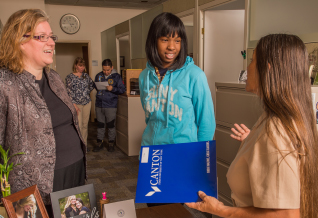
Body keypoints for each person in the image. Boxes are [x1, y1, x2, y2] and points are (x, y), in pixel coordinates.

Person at [0, 9, 86, 218]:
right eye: (42, 37)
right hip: (33, 189)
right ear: (19, 41)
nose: (51, 43)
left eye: (52, 37)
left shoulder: (55, 79)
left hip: (73, 175)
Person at [186, 34, 318, 218]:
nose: (247, 68)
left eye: (253, 61)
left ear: (268, 70)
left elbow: (287, 214)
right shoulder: (282, 118)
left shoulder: (277, 129)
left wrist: (219, 210)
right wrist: (254, 143)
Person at [138, 12, 216, 207]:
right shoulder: (144, 77)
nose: (172, 47)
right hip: (153, 156)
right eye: (165, 39)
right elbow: (150, 118)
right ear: (153, 41)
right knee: (155, 210)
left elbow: (207, 122)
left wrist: (198, 164)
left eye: (177, 40)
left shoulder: (194, 75)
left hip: (182, 157)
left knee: (179, 211)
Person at [92, 59, 126, 152]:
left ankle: (111, 144)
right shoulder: (98, 76)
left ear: (112, 68)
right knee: (100, 125)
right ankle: (100, 143)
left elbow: (122, 89)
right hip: (99, 104)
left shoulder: (117, 77)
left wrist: (113, 88)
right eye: (104, 70)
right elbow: (96, 86)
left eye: (108, 70)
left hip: (111, 105)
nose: (106, 72)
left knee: (111, 125)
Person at [65, 57, 95, 148]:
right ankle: (78, 146)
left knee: (85, 125)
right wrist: (73, 105)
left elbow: (92, 85)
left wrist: (85, 93)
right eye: (80, 66)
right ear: (76, 66)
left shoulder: (86, 76)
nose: (82, 68)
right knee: (78, 125)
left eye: (83, 66)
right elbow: (68, 92)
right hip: (76, 104)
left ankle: (84, 146)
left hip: (86, 103)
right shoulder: (70, 77)